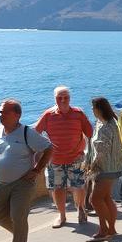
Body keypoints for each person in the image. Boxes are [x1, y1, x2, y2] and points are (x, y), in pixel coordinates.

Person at [0, 99, 52, 242]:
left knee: (18, 216)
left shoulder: (26, 133)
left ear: (17, 115)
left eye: (5, 112)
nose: (0, 115)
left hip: (22, 183)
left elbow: (48, 148)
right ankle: (21, 238)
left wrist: (37, 170)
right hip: (0, 183)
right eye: (0, 112)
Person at [35, 86, 94, 229]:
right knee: (57, 188)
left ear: (70, 98)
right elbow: (35, 133)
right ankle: (62, 215)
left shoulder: (78, 114)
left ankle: (80, 208)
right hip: (55, 159)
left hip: (76, 158)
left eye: (65, 97)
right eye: (59, 97)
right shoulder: (48, 115)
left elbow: (90, 132)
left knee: (79, 186)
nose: (62, 100)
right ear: (54, 99)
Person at [86, 97, 122, 241]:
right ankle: (111, 229)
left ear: (98, 109)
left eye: (93, 108)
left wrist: (92, 166)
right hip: (110, 167)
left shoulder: (107, 126)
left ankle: (104, 229)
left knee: (95, 199)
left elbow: (103, 149)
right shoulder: (104, 123)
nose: (92, 111)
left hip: (105, 168)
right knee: (106, 198)